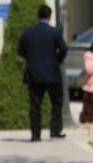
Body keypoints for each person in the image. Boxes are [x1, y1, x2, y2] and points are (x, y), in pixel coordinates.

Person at [17, 4, 68, 142]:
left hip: (34, 74)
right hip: (52, 73)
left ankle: (35, 134)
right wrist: (57, 60)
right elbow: (64, 49)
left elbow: (20, 51)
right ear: (49, 16)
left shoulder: (28, 33)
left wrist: (31, 58)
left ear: (38, 16)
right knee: (57, 102)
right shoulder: (54, 32)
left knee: (35, 105)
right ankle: (55, 130)